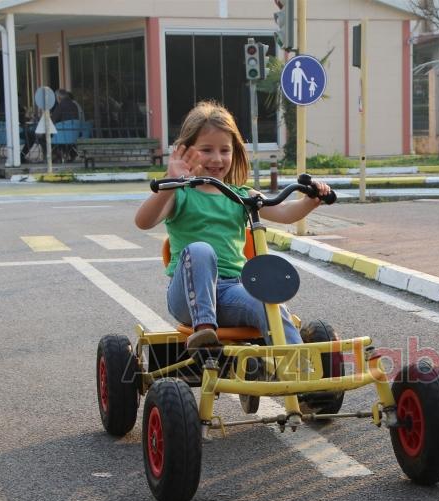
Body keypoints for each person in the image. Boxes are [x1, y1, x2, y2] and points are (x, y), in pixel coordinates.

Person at [134, 101, 331, 349]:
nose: (217, 159)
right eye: (207, 149)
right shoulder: (179, 193)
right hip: (187, 296)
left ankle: (298, 372)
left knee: (269, 304)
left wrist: (311, 201)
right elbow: (143, 221)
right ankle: (204, 330)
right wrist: (171, 181)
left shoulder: (241, 195)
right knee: (201, 250)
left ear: (234, 152)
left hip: (230, 291)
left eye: (224, 150)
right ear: (186, 151)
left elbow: (283, 212)